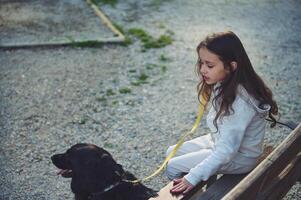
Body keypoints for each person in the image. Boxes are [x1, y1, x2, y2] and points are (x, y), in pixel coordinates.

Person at [165, 31, 278, 195]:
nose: (203, 69)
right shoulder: (230, 81)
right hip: (222, 142)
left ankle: (191, 196)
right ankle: (195, 191)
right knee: (171, 152)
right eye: (201, 63)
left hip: (240, 157)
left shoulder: (240, 101)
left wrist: (192, 177)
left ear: (232, 66)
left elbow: (226, 152)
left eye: (209, 65)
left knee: (173, 165)